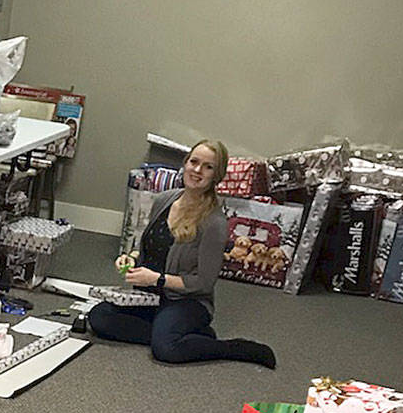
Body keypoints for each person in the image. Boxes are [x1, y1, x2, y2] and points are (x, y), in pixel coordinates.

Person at [85, 140, 276, 367]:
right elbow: (149, 246)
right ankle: (180, 334)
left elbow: (203, 283)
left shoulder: (214, 222)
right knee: (99, 317)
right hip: (150, 295)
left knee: (166, 350)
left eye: (208, 167)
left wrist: (158, 279)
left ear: (216, 176)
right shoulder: (164, 200)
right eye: (194, 162)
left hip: (186, 301)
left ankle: (231, 347)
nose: (197, 170)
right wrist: (132, 258)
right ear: (185, 163)